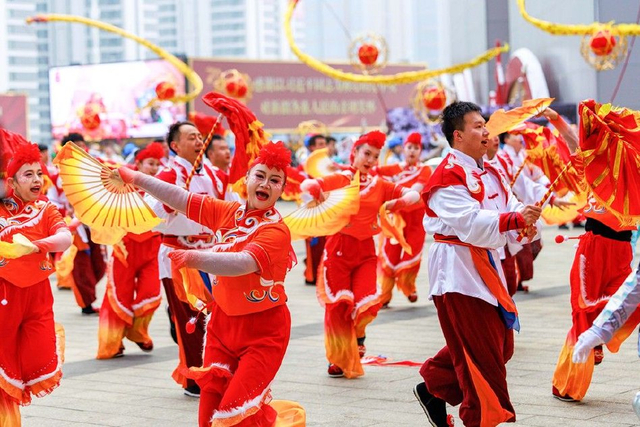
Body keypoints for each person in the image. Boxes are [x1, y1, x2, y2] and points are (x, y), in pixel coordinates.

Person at [118, 141, 297, 427]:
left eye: (275, 180)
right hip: (221, 329)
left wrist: (194, 257)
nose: (266, 184)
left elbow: (243, 263)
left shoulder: (276, 231)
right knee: (208, 413)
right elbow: (181, 199)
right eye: (260, 175)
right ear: (247, 179)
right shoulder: (229, 212)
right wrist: (136, 178)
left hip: (264, 333)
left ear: (282, 189)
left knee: (234, 411)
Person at [414, 101, 541, 427]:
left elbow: (510, 208)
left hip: (487, 264)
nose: (487, 132)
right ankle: (481, 417)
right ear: (458, 135)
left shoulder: (492, 172)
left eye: (485, 125)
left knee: (500, 346)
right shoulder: (447, 176)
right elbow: (469, 223)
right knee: (481, 358)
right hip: (457, 271)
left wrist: (525, 222)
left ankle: (434, 384)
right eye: (478, 126)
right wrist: (514, 220)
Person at [300, 130, 420, 378]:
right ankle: (338, 357)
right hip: (338, 251)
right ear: (354, 153)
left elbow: (410, 194)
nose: (370, 160)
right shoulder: (340, 179)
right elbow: (310, 185)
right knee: (338, 306)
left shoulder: (379, 185)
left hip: (365, 253)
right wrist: (316, 192)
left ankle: (359, 337)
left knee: (366, 301)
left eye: (375, 156)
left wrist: (397, 203)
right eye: (366, 153)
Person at [144, 121, 227, 398]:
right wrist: (169, 202)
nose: (198, 141)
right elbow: (151, 214)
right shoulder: (167, 175)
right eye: (191, 137)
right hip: (178, 255)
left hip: (211, 253)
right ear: (175, 146)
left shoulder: (214, 175)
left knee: (218, 313)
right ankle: (194, 377)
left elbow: (230, 206)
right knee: (190, 319)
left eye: (200, 137)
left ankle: (216, 367)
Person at [0, 142, 73, 425]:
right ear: (12, 182)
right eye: (28, 174)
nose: (37, 180)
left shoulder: (45, 208)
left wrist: (35, 246)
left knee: (37, 356)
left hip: (39, 294)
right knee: (4, 359)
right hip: (5, 294)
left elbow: (65, 238)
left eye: (39, 173)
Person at [96, 142, 165, 359]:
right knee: (119, 295)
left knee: (151, 292)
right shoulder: (122, 183)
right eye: (150, 163)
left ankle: (137, 332)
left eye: (157, 164)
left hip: (151, 247)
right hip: (124, 248)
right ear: (139, 163)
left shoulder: (163, 185)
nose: (154, 168)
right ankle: (112, 343)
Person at [49, 133, 106, 313]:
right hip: (75, 227)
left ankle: (87, 295)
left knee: (100, 265)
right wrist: (66, 212)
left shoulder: (94, 170)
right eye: (76, 145)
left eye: (82, 145)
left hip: (94, 224)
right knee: (82, 266)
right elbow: (52, 201)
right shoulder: (58, 175)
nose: (81, 149)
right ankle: (86, 304)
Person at [375, 132, 432, 306]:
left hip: (415, 218)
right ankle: (383, 294)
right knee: (389, 254)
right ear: (403, 149)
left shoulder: (424, 170)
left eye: (416, 148)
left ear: (420, 151)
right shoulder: (394, 168)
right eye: (409, 147)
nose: (412, 151)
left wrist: (393, 202)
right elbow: (372, 172)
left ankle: (408, 286)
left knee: (412, 251)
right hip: (395, 218)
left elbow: (415, 190)